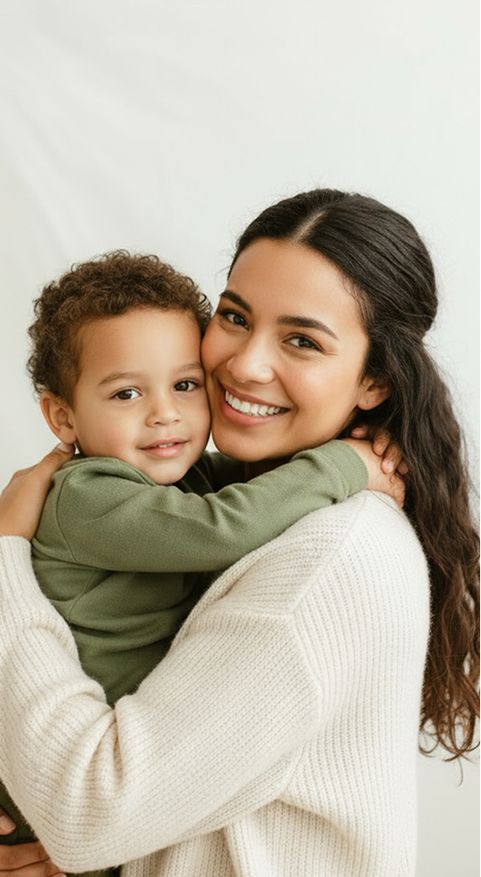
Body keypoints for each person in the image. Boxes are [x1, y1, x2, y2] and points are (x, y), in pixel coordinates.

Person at [0, 189, 479, 877]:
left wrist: (5, 559)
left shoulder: (325, 556)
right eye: (233, 316)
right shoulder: (259, 498)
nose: (245, 364)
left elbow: (88, 817)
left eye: (302, 339)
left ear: (373, 379)